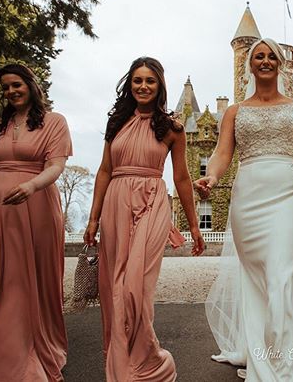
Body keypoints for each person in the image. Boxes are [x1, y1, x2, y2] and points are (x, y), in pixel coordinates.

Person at [197, 38, 293, 381]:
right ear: (250, 64)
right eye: (258, 56)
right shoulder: (235, 111)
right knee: (259, 279)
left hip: (290, 193)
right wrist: (211, 178)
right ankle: (265, 358)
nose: (264, 61)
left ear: (280, 63)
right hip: (249, 196)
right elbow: (222, 154)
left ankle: (289, 363)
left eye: (270, 56)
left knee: (282, 273)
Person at [83, 57, 204, 381]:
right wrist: (93, 218)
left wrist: (194, 226)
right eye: (137, 80)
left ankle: (149, 365)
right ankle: (127, 363)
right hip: (116, 204)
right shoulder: (116, 122)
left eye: (150, 80)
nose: (143, 86)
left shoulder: (172, 128)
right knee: (114, 290)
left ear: (160, 85)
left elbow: (181, 179)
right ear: (130, 84)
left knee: (135, 288)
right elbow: (105, 170)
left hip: (152, 203)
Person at [0, 63, 72, 380]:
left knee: (28, 279)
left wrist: (31, 185)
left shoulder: (54, 122)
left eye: (16, 84)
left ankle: (28, 346)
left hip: (37, 204)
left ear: (30, 84)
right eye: (5, 87)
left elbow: (56, 166)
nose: (11, 91)